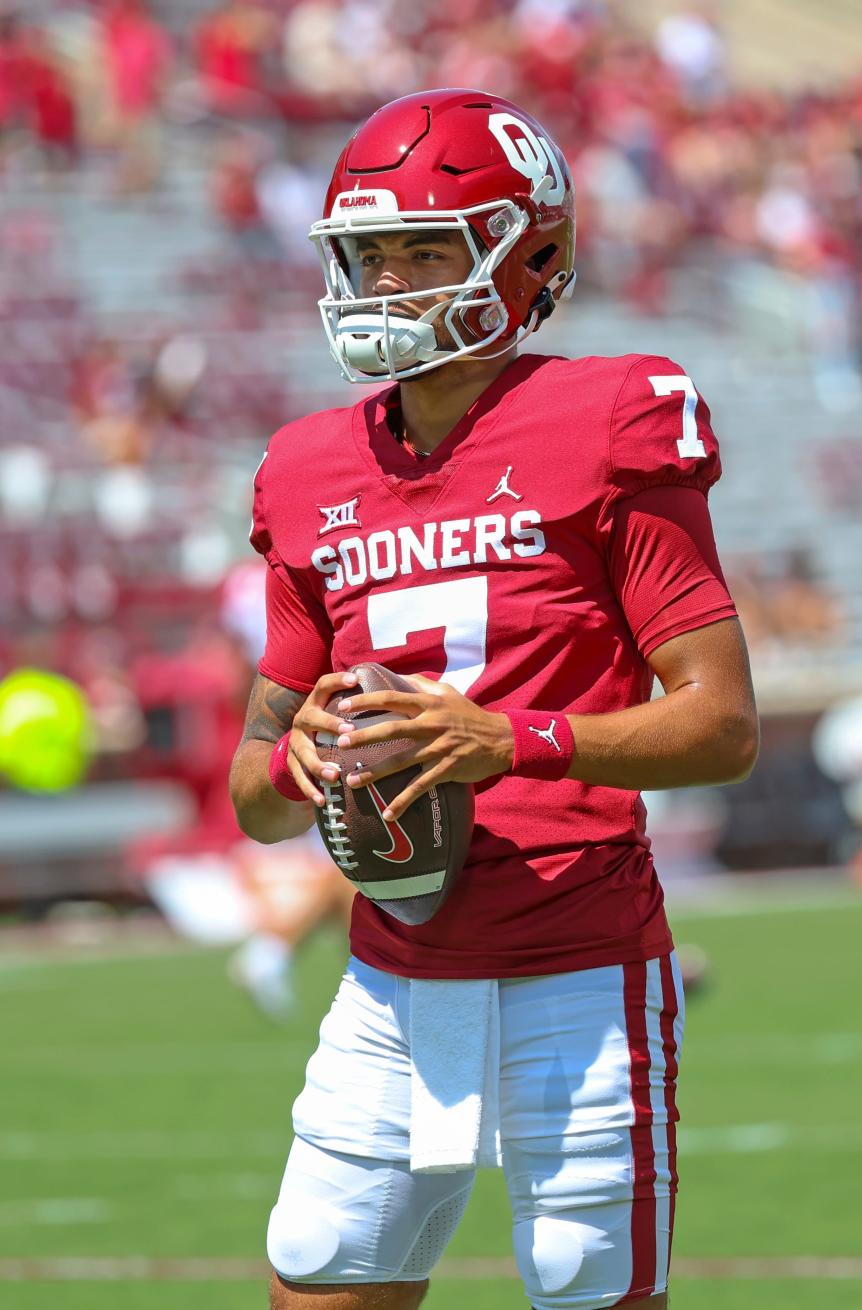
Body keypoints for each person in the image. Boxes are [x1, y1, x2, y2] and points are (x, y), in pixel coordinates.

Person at [229, 88, 758, 1310]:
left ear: (533, 256)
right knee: (315, 1274)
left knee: (585, 1281)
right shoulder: (306, 465)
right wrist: (296, 753)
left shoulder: (612, 413)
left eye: (428, 246)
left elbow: (723, 722)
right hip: (389, 971)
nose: (389, 281)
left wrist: (506, 739)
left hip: (579, 958)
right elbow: (256, 790)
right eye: (370, 252)